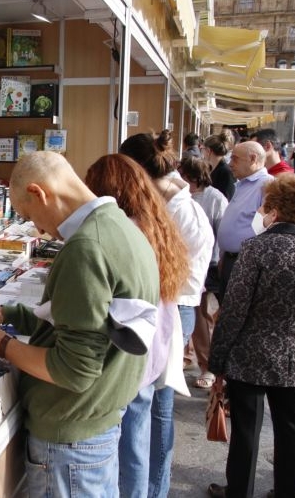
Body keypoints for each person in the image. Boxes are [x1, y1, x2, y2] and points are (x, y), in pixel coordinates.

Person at [0, 151, 160, 497]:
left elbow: (74, 370)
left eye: (28, 215)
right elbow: (87, 322)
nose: (37, 229)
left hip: (70, 442)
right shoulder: (121, 227)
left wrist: (1, 344)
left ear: (38, 193)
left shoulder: (85, 249)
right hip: (94, 428)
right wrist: (7, 315)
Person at [207, 174, 295, 498]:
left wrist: (217, 360)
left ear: (275, 209)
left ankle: (239, 491)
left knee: (246, 431)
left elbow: (234, 309)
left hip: (249, 354)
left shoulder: (256, 249)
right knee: (293, 432)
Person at [85, 153, 190, 498]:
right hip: (151, 347)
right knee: (137, 438)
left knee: (127, 441)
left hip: (131, 353)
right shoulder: (155, 222)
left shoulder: (125, 230)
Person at [120, 131, 213, 498]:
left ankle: (152, 489)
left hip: (171, 308)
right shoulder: (167, 202)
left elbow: (170, 276)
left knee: (153, 408)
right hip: (165, 306)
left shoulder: (179, 211)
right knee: (149, 407)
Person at [178, 155, 228, 390]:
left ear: (192, 177)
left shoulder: (214, 198)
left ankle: (207, 365)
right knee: (189, 315)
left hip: (207, 265)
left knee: (202, 316)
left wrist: (216, 262)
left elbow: (221, 232)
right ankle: (186, 356)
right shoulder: (182, 197)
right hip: (183, 265)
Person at [215, 141, 273, 304]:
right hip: (232, 259)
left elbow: (267, 228)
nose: (230, 164)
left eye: (235, 159)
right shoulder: (243, 184)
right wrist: (225, 254)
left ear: (253, 159)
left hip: (246, 263)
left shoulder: (266, 185)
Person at [202, 131, 236, 201]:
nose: (202, 152)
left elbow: (226, 199)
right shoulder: (211, 168)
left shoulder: (226, 172)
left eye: (203, 149)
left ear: (208, 151)